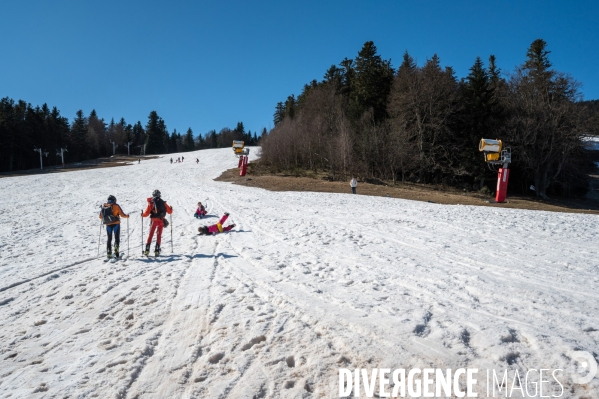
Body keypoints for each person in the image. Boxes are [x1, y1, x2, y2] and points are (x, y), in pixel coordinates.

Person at [142, 189, 173, 256]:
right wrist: (171, 208)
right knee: (159, 236)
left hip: (153, 221)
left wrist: (142, 215)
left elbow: (146, 213)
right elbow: (170, 212)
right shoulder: (163, 202)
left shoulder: (151, 203)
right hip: (161, 221)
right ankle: (157, 250)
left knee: (150, 235)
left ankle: (147, 250)